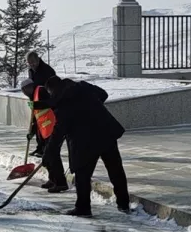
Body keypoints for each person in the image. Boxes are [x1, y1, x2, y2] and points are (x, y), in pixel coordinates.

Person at [43, 76, 129, 217]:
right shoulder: (82, 86)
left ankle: (83, 208)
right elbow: (103, 94)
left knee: (82, 175)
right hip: (105, 130)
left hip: (84, 141)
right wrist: (93, 109)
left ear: (52, 91)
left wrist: (48, 153)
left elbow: (59, 131)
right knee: (116, 170)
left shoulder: (62, 103)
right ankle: (124, 204)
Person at [22, 80, 68, 193]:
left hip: (53, 127)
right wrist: (32, 132)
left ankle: (61, 183)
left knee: (53, 155)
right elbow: (35, 116)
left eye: (25, 90)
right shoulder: (33, 96)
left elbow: (53, 102)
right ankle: (52, 179)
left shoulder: (42, 90)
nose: (25, 93)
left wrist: (38, 104)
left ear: (30, 86)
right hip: (44, 129)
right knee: (46, 154)